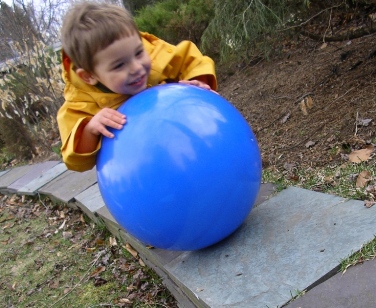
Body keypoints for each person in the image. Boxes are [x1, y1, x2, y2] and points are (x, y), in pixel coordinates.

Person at [57, 2, 217, 172]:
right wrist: (90, 130)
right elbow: (74, 159)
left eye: (139, 53)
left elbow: (189, 59)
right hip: (138, 166)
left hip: (183, 136)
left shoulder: (150, 52)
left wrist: (197, 82)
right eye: (119, 65)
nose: (137, 68)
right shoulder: (80, 101)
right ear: (89, 76)